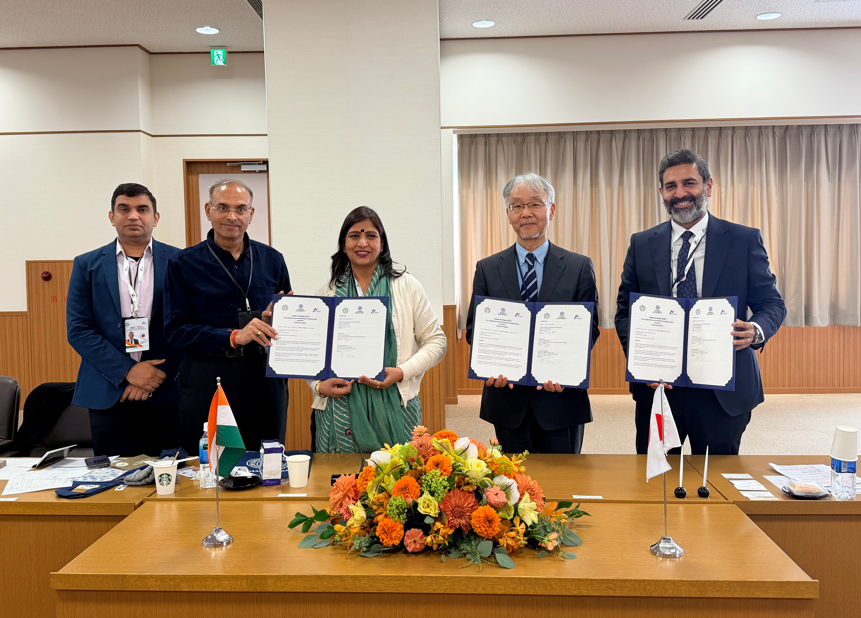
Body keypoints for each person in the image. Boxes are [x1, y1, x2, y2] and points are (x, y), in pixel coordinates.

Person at [616, 149, 786, 455]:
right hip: (659, 387)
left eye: (689, 183)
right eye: (671, 186)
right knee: (657, 476)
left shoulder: (743, 240)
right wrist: (641, 361)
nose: (680, 193)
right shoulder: (641, 243)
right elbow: (625, 312)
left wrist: (756, 330)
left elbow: (772, 303)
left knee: (716, 477)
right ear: (661, 192)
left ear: (708, 186)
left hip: (721, 388)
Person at [465, 174, 600, 454]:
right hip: (507, 400)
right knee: (513, 478)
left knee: (563, 478)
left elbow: (590, 330)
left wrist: (564, 368)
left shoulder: (578, 267)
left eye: (535, 204)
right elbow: (474, 330)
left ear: (551, 210)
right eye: (517, 206)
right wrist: (490, 365)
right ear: (508, 214)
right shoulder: (487, 269)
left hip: (562, 399)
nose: (526, 213)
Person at [165, 179, 292, 454]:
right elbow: (176, 330)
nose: (232, 216)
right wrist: (233, 336)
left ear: (251, 214)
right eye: (223, 207)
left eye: (240, 209)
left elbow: (285, 318)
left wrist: (278, 320)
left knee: (266, 464)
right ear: (208, 210)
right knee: (210, 467)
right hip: (209, 381)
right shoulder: (183, 264)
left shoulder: (273, 260)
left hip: (264, 383)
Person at [307, 206, 447, 453]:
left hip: (397, 405)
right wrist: (318, 386)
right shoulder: (328, 292)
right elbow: (312, 352)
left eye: (371, 236)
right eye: (354, 236)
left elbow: (437, 341)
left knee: (400, 473)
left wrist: (402, 372)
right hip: (339, 410)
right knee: (341, 477)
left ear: (382, 244)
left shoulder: (407, 286)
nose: (362, 243)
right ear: (344, 244)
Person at [67, 183, 183, 456]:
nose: (133, 216)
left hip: (166, 390)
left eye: (142, 209)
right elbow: (79, 329)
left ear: (155, 217)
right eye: (124, 209)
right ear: (112, 217)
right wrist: (128, 371)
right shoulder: (87, 264)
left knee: (170, 475)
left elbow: (188, 325)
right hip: (109, 390)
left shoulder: (181, 261)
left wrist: (155, 375)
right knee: (113, 476)